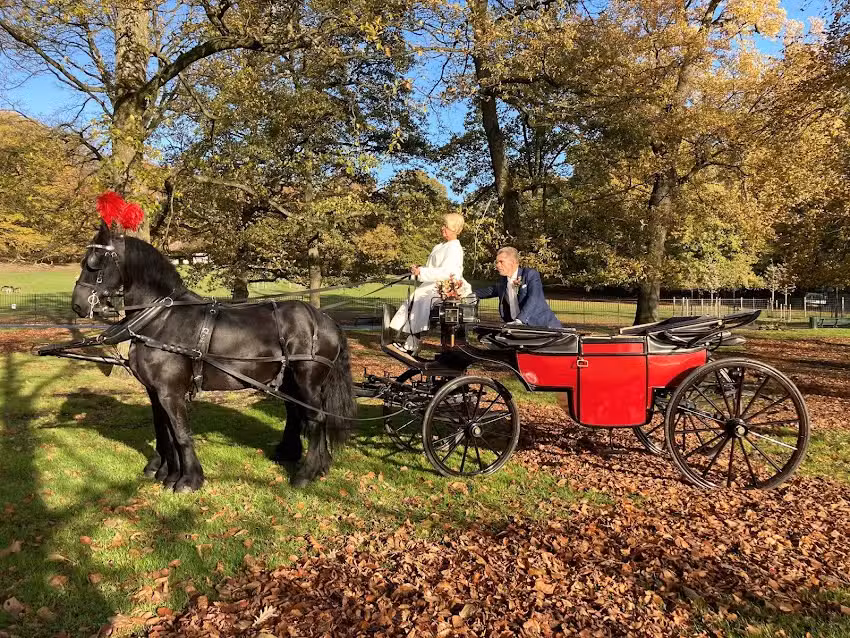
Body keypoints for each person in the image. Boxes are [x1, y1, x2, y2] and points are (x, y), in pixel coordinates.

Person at [389, 213, 472, 352]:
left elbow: (447, 272)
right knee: (415, 299)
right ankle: (406, 337)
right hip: (435, 283)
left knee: (420, 299)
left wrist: (422, 272)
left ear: (454, 228)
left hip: (446, 285)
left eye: (446, 226)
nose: (442, 228)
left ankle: (413, 342)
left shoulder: (454, 248)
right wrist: (418, 271)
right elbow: (432, 268)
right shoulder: (439, 246)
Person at [474, 246, 561, 328]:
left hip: (545, 327)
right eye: (497, 262)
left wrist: (520, 320)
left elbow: (534, 298)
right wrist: (465, 293)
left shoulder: (530, 275)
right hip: (518, 329)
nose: (497, 265)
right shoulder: (503, 281)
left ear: (512, 263)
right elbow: (490, 291)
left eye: (501, 262)